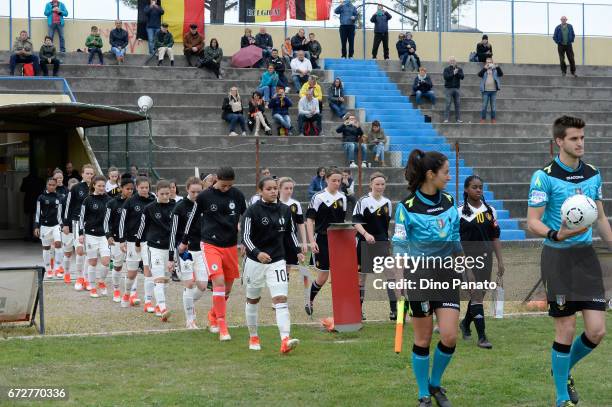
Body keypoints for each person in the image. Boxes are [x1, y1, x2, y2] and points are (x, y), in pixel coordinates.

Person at [527, 116, 611, 407]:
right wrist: (555, 234)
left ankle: (562, 370)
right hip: (557, 256)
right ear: (559, 141)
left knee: (597, 330)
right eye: (574, 138)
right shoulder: (544, 176)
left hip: (585, 256)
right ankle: (562, 398)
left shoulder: (593, 173)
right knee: (565, 329)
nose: (580, 143)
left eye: (583, 138)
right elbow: (532, 222)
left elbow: (600, 218)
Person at [392, 149, 462, 407]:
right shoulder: (405, 208)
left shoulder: (450, 201)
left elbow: (455, 239)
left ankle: (435, 382)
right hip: (418, 276)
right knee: (422, 339)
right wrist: (399, 279)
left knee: (449, 336)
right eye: (445, 172)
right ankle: (424, 393)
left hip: (447, 275)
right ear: (431, 175)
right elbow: (399, 245)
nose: (448, 177)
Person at [181, 166, 247, 341]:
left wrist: (245, 238)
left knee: (227, 288)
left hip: (231, 245)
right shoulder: (204, 197)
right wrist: (184, 241)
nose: (226, 188)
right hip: (210, 244)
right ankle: (221, 325)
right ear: (217, 179)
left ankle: (212, 315)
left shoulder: (237, 195)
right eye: (224, 185)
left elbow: (246, 217)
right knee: (217, 281)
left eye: (229, 185)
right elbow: (192, 219)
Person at [242, 177, 304, 352]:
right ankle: (253, 336)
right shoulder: (252, 211)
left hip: (277, 260)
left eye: (275, 188)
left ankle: (285, 339)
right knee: (253, 299)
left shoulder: (285, 210)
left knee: (280, 299)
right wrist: (257, 253)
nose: (273, 191)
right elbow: (245, 238)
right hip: (254, 262)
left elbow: (290, 234)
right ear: (260, 190)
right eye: (269, 189)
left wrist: (297, 250)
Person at [457, 175, 504, 349]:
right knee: (476, 295)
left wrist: (500, 261)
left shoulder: (490, 210)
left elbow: (495, 237)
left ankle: (465, 323)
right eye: (474, 187)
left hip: (486, 259)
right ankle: (482, 337)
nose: (478, 190)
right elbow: (456, 240)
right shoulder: (459, 211)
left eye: (480, 187)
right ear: (466, 189)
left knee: (479, 296)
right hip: (466, 259)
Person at [306, 168, 347, 315]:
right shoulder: (318, 197)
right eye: (334, 180)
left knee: (340, 276)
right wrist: (312, 241)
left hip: (339, 241)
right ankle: (309, 299)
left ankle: (342, 310)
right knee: (323, 276)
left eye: (339, 180)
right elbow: (310, 220)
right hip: (322, 238)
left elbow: (342, 221)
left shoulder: (343, 197)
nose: (337, 183)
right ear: (326, 180)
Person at [134, 180, 176, 321]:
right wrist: (138, 242)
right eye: (162, 194)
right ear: (156, 193)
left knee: (165, 278)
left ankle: (158, 303)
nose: (165, 196)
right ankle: (162, 307)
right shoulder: (150, 208)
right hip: (154, 247)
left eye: (167, 194)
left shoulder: (175, 207)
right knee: (158, 277)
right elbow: (142, 226)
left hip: (170, 247)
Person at [352, 172, 392, 320]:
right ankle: (358, 311)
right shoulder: (363, 201)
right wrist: (366, 234)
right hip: (365, 243)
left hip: (382, 243)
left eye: (382, 184)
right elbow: (355, 222)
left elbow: (385, 225)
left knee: (390, 275)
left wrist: (388, 238)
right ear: (371, 185)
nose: (380, 187)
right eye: (377, 184)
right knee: (362, 278)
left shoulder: (387, 202)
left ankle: (394, 311)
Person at [169, 177, 207, 329]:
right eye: (193, 192)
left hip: (202, 249)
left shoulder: (205, 206)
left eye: (199, 191)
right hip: (185, 251)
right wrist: (171, 257)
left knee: (203, 285)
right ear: (187, 190)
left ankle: (188, 302)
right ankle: (190, 319)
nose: (196, 194)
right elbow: (173, 233)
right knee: (189, 284)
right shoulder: (179, 207)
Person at [119, 176, 156, 311]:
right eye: (142, 188)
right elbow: (122, 221)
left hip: (148, 240)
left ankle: (148, 302)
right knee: (131, 273)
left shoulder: (154, 200)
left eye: (147, 187)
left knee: (148, 270)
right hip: (132, 241)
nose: (145, 190)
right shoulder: (130, 202)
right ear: (137, 187)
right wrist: (122, 240)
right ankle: (128, 293)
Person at [278, 177, 310, 310]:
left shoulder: (295, 204)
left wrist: (303, 241)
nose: (289, 191)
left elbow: (301, 224)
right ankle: (277, 297)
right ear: (279, 188)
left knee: (287, 268)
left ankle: (282, 297)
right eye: (286, 188)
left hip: (290, 240)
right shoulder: (274, 203)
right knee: (277, 268)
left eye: (291, 188)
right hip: (275, 240)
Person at [79, 175, 112, 299]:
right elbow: (81, 218)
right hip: (91, 235)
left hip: (104, 235)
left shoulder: (109, 200)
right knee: (92, 262)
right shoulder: (87, 200)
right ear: (94, 186)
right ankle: (92, 287)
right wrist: (81, 234)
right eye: (99, 186)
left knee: (106, 261)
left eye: (103, 186)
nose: (102, 188)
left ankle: (101, 281)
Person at [63, 164, 95, 290]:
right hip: (77, 222)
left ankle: (86, 279)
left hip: (91, 223)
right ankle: (79, 278)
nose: (89, 176)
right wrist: (66, 223)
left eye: (91, 174)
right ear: (82, 174)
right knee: (80, 250)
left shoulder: (96, 188)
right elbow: (68, 206)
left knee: (89, 252)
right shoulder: (76, 188)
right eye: (87, 173)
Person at [104, 174, 134, 304]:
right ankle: (116, 289)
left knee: (132, 267)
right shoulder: (112, 203)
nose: (130, 191)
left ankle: (132, 293)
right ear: (121, 188)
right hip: (116, 239)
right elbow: (107, 221)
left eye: (132, 189)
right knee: (117, 266)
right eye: (127, 189)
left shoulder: (135, 202)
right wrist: (109, 235)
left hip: (132, 239)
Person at [35, 177, 64, 279]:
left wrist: (62, 225)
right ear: (46, 185)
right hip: (44, 226)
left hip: (56, 225)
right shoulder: (41, 197)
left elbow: (60, 214)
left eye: (53, 185)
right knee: (46, 248)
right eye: (49, 185)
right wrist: (36, 226)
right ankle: (48, 270)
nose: (51, 186)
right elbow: (38, 213)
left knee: (58, 244)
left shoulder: (59, 197)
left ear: (56, 186)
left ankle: (57, 268)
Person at [478, 58, 503, 124]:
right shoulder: (484, 70)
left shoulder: (495, 70)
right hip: (485, 91)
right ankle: (483, 119)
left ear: (492, 63)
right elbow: (479, 75)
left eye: (490, 62)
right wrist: (484, 68)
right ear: (486, 63)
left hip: (493, 91)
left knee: (493, 106)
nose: (488, 63)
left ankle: (493, 119)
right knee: (484, 106)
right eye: (487, 62)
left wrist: (497, 67)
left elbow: (501, 74)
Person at [443, 56, 464, 123]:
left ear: (455, 62)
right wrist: (453, 73)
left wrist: (457, 73)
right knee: (448, 104)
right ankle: (446, 118)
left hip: (457, 89)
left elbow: (462, 77)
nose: (452, 62)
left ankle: (458, 119)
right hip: (448, 89)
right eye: (451, 60)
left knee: (457, 104)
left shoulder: (459, 69)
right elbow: (446, 77)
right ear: (449, 62)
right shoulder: (446, 69)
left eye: (453, 60)